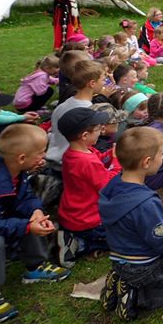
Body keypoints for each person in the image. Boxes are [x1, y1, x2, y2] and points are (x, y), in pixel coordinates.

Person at [98, 127, 163, 321]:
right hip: (145, 266)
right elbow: (161, 241)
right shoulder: (145, 203)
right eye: (161, 154)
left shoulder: (112, 187)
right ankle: (138, 296)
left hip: (119, 259)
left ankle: (121, 279)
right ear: (147, 162)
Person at [0, 124, 72, 324]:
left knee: (31, 217)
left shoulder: (14, 170)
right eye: (40, 153)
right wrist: (26, 226)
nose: (44, 156)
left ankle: (35, 266)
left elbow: (25, 197)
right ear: (22, 158)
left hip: (1, 216)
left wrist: (35, 211)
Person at [57, 107, 120, 266]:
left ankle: (71, 234)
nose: (102, 130)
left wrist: (109, 156)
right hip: (89, 220)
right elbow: (107, 185)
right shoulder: (86, 161)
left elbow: (99, 160)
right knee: (122, 236)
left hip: (72, 213)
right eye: (99, 129)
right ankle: (79, 245)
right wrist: (117, 163)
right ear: (85, 135)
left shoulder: (75, 152)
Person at [47, 60, 110, 170]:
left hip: (54, 157)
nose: (105, 83)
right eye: (103, 80)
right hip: (69, 164)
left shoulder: (63, 105)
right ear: (92, 83)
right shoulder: (87, 111)